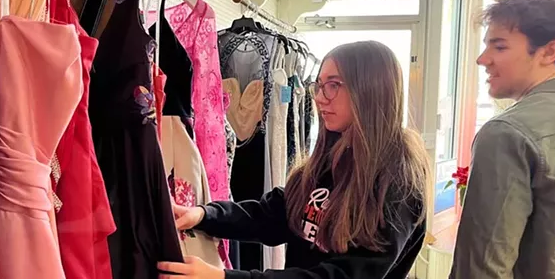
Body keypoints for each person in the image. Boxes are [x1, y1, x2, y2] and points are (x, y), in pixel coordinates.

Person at [158, 40, 431, 279]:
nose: (320, 97)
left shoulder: (398, 181)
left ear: (370, 90)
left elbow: (345, 275)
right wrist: (204, 215)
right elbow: (275, 214)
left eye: (334, 85)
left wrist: (224, 277)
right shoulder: (331, 157)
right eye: (319, 85)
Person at [450, 0, 555, 279]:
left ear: (549, 52)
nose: (483, 59)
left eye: (500, 47)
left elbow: (481, 268)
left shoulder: (508, 132)